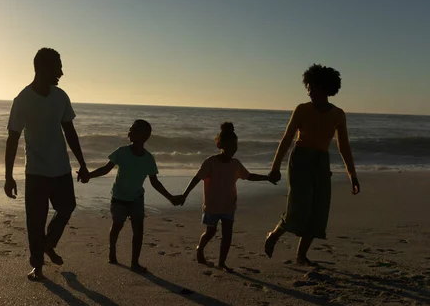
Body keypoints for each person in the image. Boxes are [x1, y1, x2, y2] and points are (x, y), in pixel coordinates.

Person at [4, 47, 89, 281]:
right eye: (57, 67)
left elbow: (70, 131)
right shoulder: (22, 100)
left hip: (61, 167)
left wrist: (82, 163)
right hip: (36, 171)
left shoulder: (60, 97)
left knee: (67, 207)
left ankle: (48, 244)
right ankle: (37, 266)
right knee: (35, 220)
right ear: (41, 69)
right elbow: (12, 138)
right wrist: (8, 176)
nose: (61, 72)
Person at [264, 64, 361, 266]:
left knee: (318, 210)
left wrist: (352, 174)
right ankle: (274, 235)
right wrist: (275, 167)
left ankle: (301, 255)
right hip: (300, 160)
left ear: (325, 87)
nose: (309, 91)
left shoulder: (338, 114)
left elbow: (344, 146)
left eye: (313, 87)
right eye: (307, 87)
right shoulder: (302, 110)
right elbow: (287, 138)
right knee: (298, 207)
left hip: (321, 162)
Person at [83, 119, 183, 272]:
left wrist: (170, 197)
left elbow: (154, 182)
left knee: (139, 230)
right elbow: (105, 169)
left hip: (136, 199)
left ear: (144, 136)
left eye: (133, 130)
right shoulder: (121, 152)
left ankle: (134, 262)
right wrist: (88, 175)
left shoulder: (148, 158)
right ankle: (112, 250)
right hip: (118, 198)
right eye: (130, 129)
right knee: (117, 226)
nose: (129, 131)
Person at [181, 122, 274, 271]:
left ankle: (222, 262)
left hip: (229, 206)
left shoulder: (236, 164)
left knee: (227, 235)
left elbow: (249, 176)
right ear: (220, 145)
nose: (233, 149)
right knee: (210, 232)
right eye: (230, 146)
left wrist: (267, 178)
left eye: (235, 146)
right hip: (212, 205)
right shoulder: (210, 162)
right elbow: (197, 178)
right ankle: (200, 249)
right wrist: (185, 194)